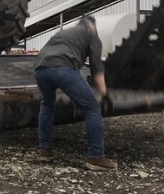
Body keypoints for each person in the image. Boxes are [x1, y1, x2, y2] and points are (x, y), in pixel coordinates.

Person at [33, 16, 117, 171]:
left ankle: (45, 151)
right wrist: (104, 94)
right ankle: (96, 157)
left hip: (40, 68)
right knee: (92, 108)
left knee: (47, 105)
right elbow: (97, 67)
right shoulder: (92, 34)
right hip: (63, 68)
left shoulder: (65, 32)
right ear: (93, 26)